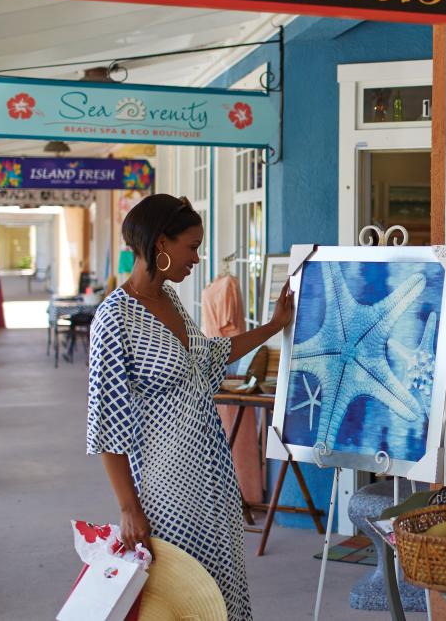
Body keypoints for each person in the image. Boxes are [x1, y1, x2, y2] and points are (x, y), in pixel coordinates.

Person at [85, 194, 294, 621]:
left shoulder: (172, 301)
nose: (197, 258)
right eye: (192, 246)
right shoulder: (114, 318)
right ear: (161, 242)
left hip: (214, 478)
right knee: (182, 600)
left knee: (222, 594)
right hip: (166, 489)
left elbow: (212, 355)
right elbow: (106, 421)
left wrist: (274, 326)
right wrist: (129, 509)